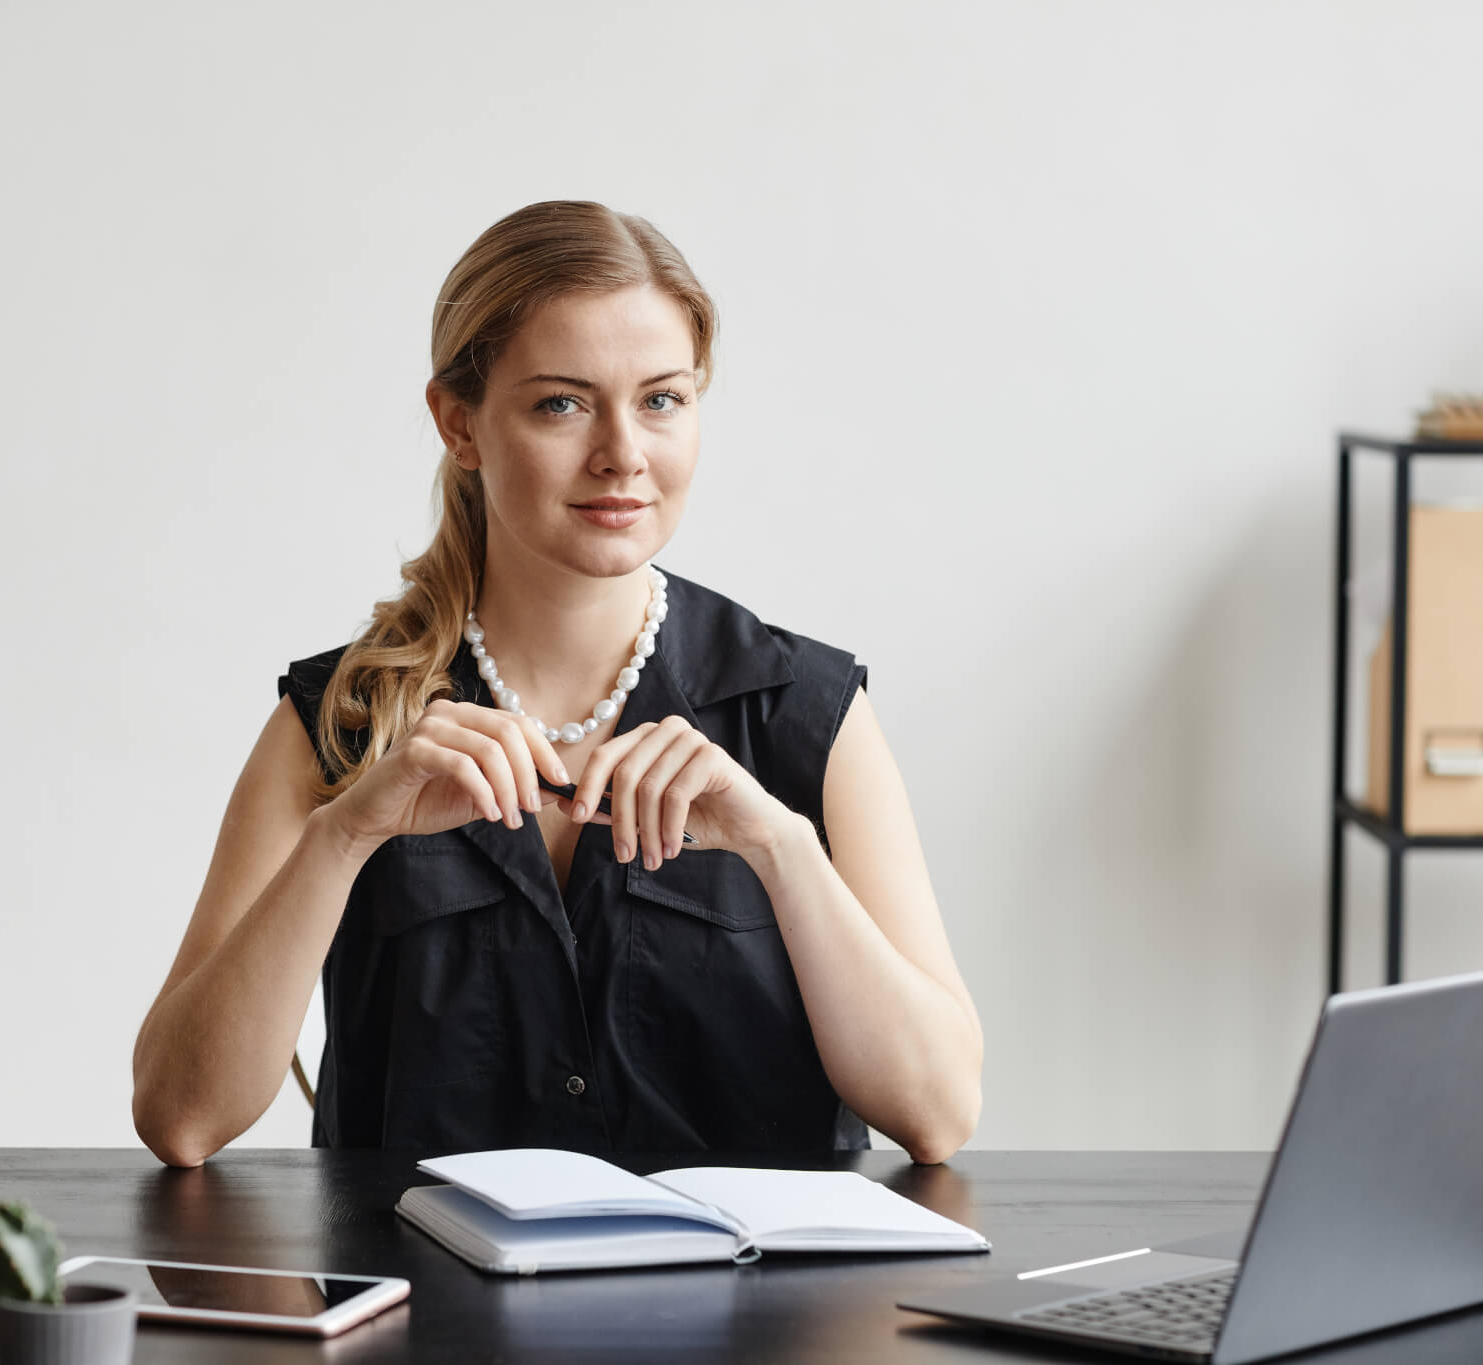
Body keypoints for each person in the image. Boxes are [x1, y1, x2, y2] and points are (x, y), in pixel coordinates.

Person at [131, 200, 981, 1166]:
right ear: (460, 424)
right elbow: (181, 1117)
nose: (624, 451)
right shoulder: (339, 722)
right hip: (423, 1313)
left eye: (663, 399)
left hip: (768, 1317)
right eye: (561, 403)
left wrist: (781, 848)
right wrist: (347, 835)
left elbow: (940, 1112)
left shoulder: (805, 712)